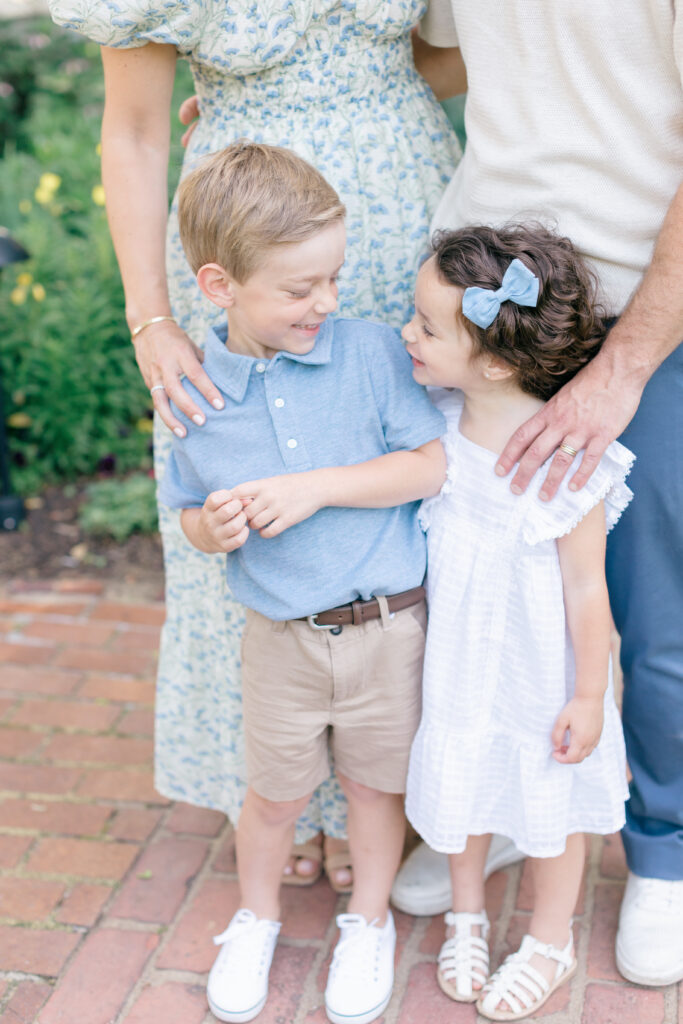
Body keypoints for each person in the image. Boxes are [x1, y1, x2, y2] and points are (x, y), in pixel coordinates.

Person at [47, 0, 462, 892]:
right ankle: (286, 792)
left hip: (391, 230)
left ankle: (382, 785)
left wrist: (351, 99)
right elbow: (130, 130)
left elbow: (449, 60)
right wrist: (150, 316)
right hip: (244, 246)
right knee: (245, 499)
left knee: (403, 501)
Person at [393, 3, 683, 987]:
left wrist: (627, 362)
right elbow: (437, 52)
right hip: (483, 304)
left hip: (641, 302)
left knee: (645, 610)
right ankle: (501, 805)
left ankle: (664, 847)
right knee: (468, 584)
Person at [160, 141, 446, 1024]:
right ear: (219, 288)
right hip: (278, 642)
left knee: (374, 788)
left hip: (387, 629)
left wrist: (311, 488)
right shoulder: (193, 391)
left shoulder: (368, 354)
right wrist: (215, 527)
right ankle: (255, 919)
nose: (325, 301)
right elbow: (187, 513)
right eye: (298, 289)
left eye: (332, 277)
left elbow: (430, 465)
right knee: (274, 794)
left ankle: (367, 923)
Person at [402, 224, 633, 1020]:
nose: (408, 334)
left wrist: (588, 696)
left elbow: (585, 589)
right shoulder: (432, 430)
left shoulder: (571, 464)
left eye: (427, 328)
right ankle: (465, 915)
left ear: (495, 362)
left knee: (553, 808)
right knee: (462, 783)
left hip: (544, 672)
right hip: (460, 660)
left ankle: (548, 937)